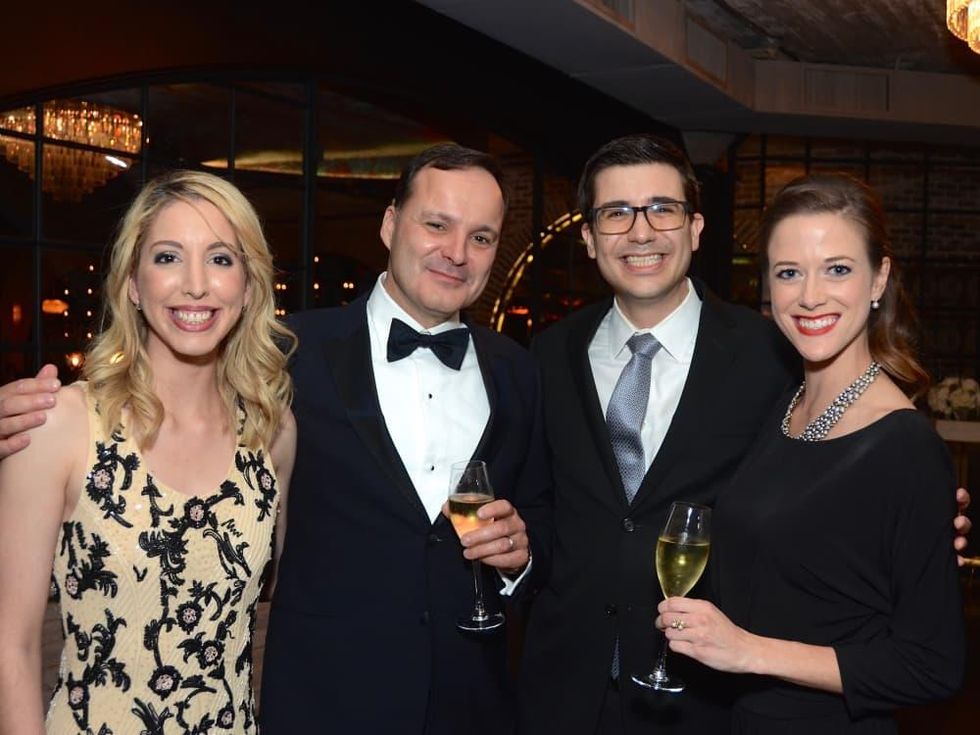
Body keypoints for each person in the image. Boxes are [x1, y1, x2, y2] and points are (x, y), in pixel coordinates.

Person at [517, 135, 971, 735]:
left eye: (663, 209)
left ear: (696, 227)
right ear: (589, 236)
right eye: (617, 213)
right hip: (564, 692)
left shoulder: (771, 357)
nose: (641, 231)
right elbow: (541, 505)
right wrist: (517, 554)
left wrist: (924, 532)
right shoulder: (547, 354)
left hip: (707, 703)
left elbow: (868, 501)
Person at [657, 173, 964, 732]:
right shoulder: (786, 406)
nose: (810, 295)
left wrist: (748, 651)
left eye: (837, 269)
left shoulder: (904, 446)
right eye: (789, 272)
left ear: (879, 278)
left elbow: (932, 666)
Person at [0, 170, 297, 734]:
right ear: (133, 284)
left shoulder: (272, 431)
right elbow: (8, 645)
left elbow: (282, 604)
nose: (195, 285)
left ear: (249, 286)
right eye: (167, 257)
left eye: (220, 259)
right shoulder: (61, 425)